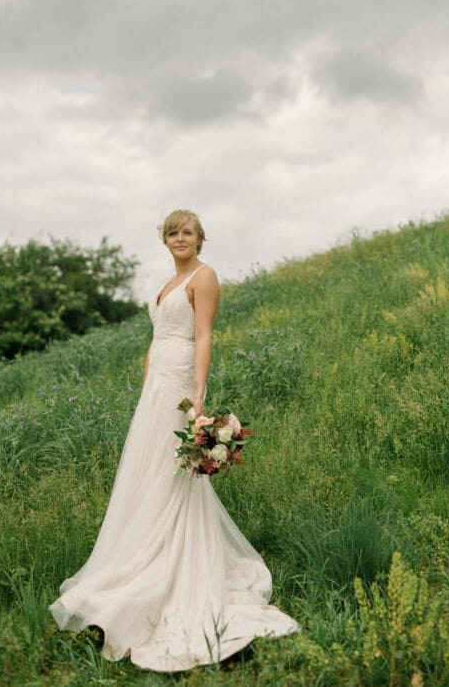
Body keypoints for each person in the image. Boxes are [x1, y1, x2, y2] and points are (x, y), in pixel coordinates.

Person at [49, 209, 299, 671]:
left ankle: (176, 571)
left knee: (173, 475)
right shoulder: (165, 285)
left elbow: (203, 336)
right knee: (149, 475)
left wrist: (197, 394)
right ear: (164, 240)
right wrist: (147, 391)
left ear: (199, 239)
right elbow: (154, 341)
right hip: (156, 390)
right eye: (171, 232)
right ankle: (139, 564)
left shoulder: (204, 278)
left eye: (186, 232)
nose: (178, 238)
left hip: (182, 382)